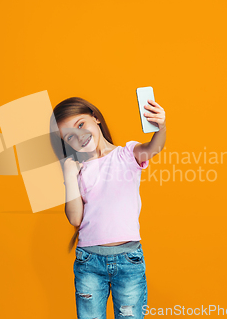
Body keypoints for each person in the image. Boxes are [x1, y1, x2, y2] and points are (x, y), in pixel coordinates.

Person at [49, 96, 166, 319]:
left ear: (96, 118)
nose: (80, 136)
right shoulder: (78, 169)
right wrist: (69, 175)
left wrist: (161, 128)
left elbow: (154, 147)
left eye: (81, 124)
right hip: (89, 262)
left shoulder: (126, 155)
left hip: (128, 259)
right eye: (70, 136)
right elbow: (75, 219)